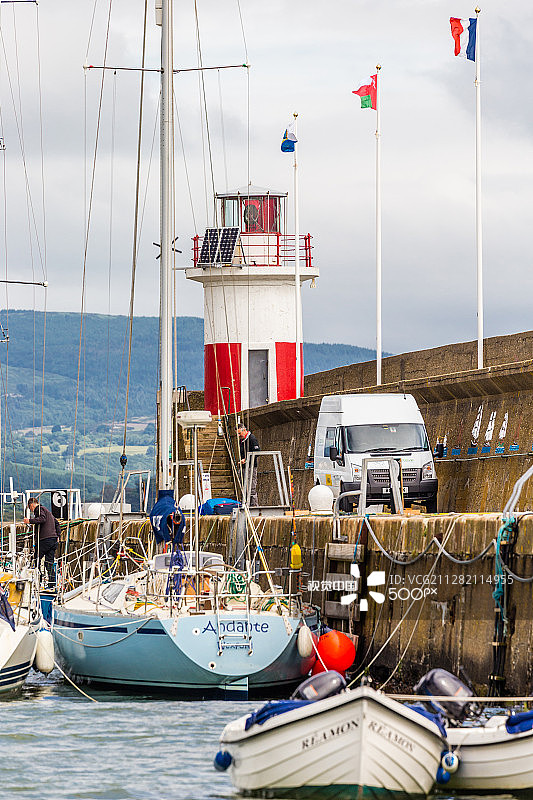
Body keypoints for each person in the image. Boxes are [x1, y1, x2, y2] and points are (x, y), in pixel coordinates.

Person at [23, 497, 59, 588]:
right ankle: (52, 584)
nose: (31, 510)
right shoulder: (48, 511)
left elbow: (42, 519)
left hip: (45, 540)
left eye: (30, 508)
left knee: (36, 559)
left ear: (31, 505)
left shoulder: (39, 509)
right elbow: (57, 523)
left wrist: (30, 521)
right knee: (49, 562)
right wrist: (57, 536)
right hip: (53, 540)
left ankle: (38, 580)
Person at [237, 422, 260, 506]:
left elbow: (257, 452)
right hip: (243, 467)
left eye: (240, 433)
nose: (239, 435)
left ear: (244, 430)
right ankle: (245, 504)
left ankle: (254, 506)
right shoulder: (241, 440)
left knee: (251, 487)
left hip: (250, 467)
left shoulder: (252, 438)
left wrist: (246, 460)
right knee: (243, 487)